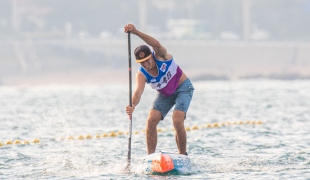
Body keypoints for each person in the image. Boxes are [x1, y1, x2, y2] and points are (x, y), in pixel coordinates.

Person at [124, 24, 194, 155]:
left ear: (151, 55)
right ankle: (150, 157)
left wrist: (136, 32)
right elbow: (138, 92)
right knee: (151, 120)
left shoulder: (161, 56)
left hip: (183, 88)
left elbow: (156, 44)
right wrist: (132, 105)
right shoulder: (141, 74)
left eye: (147, 60)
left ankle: (182, 155)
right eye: (142, 62)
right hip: (166, 94)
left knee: (177, 120)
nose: (146, 64)